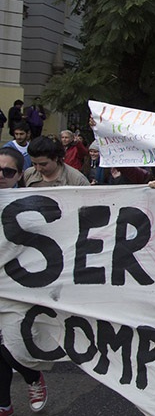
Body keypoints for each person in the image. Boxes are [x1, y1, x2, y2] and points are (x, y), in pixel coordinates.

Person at [0, 147, 48, 416]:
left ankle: (31, 376)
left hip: (21, 286)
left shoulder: (32, 204)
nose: (1, 175)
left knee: (12, 346)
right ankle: (3, 405)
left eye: (8, 171)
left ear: (19, 175)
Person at [24, 136, 89, 187]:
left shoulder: (77, 180)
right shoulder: (29, 174)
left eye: (43, 164)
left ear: (56, 158)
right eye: (34, 164)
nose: (38, 169)